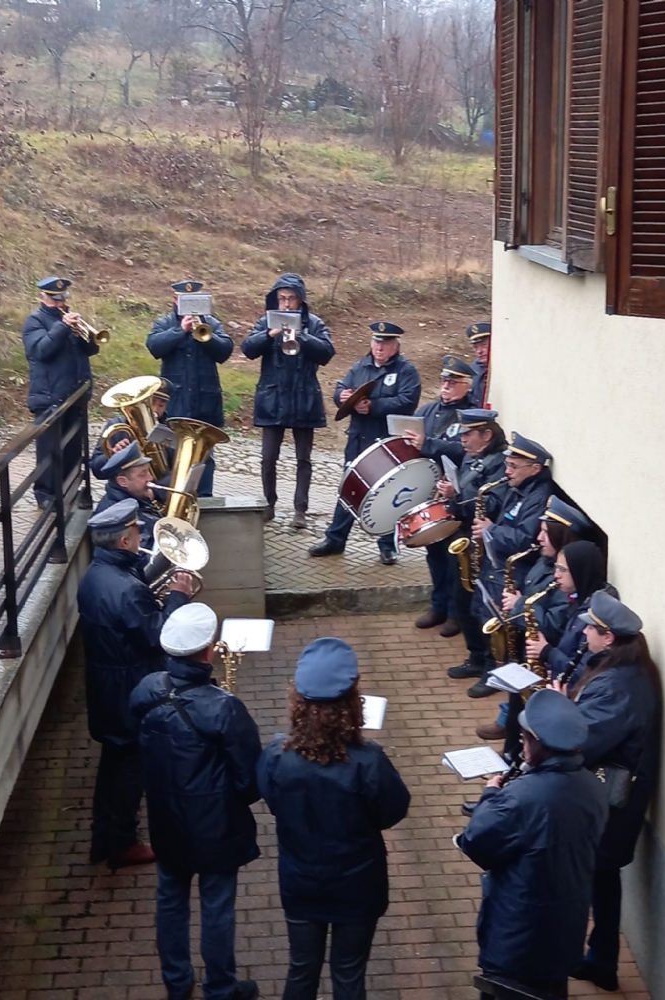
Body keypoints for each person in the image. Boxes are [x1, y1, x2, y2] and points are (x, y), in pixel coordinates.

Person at [257, 637, 410, 1000]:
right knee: (348, 975)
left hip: (301, 881)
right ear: (352, 703)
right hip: (357, 886)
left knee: (301, 970)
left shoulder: (277, 756)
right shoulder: (368, 762)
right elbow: (392, 811)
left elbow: (273, 800)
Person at [130, 603, 262, 1000]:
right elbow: (249, 780)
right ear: (207, 653)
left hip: (167, 818)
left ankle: (177, 981)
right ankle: (221, 988)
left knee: (170, 899)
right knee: (217, 906)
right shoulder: (224, 707)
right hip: (216, 825)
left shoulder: (148, 689)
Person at [456, 688, 609, 1000]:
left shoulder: (522, 797)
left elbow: (476, 842)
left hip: (519, 934)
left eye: (525, 739)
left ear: (538, 743)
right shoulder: (593, 786)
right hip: (566, 925)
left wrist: (490, 796)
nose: (521, 746)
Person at [550, 591, 662, 993]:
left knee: (592, 878)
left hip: (609, 804)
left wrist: (561, 710)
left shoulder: (618, 685)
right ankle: (601, 961)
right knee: (602, 878)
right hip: (614, 798)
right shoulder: (622, 670)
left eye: (591, 628)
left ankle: (596, 960)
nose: (584, 631)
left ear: (609, 638)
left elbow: (583, 740)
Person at [77, 499, 195, 868]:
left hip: (105, 685)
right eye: (137, 532)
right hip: (128, 686)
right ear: (125, 542)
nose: (143, 534)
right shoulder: (127, 589)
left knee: (112, 765)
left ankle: (103, 838)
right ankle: (123, 843)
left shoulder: (95, 574)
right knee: (130, 769)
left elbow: (130, 606)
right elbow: (159, 635)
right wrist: (178, 596)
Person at [475, 496, 590, 743]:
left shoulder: (567, 579)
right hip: (527, 640)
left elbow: (552, 623)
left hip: (545, 652)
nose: (538, 538)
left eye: (546, 533)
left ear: (561, 538)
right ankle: (509, 724)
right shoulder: (544, 560)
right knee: (517, 690)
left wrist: (519, 605)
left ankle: (515, 734)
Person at [309, 322, 421, 565]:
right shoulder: (361, 366)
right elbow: (341, 387)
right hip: (358, 440)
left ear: (396, 346)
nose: (379, 348)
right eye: (376, 342)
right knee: (350, 490)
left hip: (387, 443)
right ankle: (335, 539)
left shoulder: (406, 371)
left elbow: (408, 401)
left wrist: (373, 406)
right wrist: (343, 397)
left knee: (388, 493)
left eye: (385, 344)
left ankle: (387, 546)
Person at [453, 433, 554, 697]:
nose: (506, 471)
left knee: (496, 623)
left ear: (535, 468)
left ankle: (493, 673)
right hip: (494, 564)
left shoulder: (538, 496)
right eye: (507, 465)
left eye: (512, 466)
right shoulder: (517, 485)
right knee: (480, 612)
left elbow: (526, 537)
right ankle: (480, 663)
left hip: (513, 570)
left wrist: (491, 531)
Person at [241, 273, 335, 528]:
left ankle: (300, 511)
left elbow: (327, 353)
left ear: (300, 300)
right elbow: (247, 349)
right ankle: (269, 504)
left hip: (304, 398)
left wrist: (301, 336)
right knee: (268, 457)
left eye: (291, 298)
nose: (285, 304)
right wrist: (269, 334)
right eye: (281, 298)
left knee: (303, 459)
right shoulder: (266, 321)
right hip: (273, 398)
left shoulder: (314, 324)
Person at [403, 369, 484, 635]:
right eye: (443, 381)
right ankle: (437, 606)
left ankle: (454, 613)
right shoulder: (427, 411)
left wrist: (429, 443)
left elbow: (462, 450)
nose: (446, 387)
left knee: (453, 559)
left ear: (466, 386)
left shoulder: (468, 415)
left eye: (452, 382)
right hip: (429, 493)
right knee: (434, 555)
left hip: (455, 494)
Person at [146, 281, 233, 498]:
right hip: (175, 404)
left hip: (205, 402)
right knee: (173, 454)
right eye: (184, 300)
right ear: (175, 299)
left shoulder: (211, 323)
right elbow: (154, 346)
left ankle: (204, 501)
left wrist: (206, 335)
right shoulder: (165, 323)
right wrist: (180, 331)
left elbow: (225, 351)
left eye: (194, 300)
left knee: (205, 456)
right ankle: (173, 499)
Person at [22, 276, 100, 508]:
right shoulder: (34, 321)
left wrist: (84, 334)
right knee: (49, 451)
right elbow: (41, 351)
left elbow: (91, 349)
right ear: (42, 297)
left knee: (73, 447)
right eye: (54, 300)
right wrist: (63, 327)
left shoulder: (73, 320)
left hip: (74, 396)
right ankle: (46, 495)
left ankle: (71, 488)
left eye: (62, 299)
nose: (60, 304)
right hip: (49, 397)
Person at [524, 540, 608, 681]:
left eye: (563, 570)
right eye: (556, 568)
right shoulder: (580, 600)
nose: (556, 575)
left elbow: (585, 672)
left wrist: (547, 652)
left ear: (580, 572)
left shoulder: (596, 615)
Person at [90, 377, 177, 479]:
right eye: (151, 403)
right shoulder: (117, 425)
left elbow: (177, 473)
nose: (155, 410)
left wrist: (156, 492)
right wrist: (112, 455)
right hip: (123, 492)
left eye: (161, 405)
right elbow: (97, 471)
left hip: (159, 491)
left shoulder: (171, 430)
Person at [94, 440, 163, 553]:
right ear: (123, 482)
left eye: (148, 472)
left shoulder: (134, 495)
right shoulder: (119, 515)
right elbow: (142, 559)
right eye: (143, 474)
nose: (150, 478)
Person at [466, 322, 491, 408]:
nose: (479, 351)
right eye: (476, 347)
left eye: (484, 345)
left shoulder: (506, 367)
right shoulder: (474, 368)